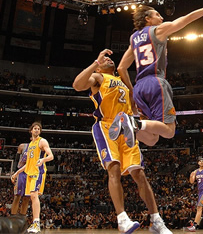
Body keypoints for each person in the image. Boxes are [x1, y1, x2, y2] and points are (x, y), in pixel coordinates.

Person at [109, 0, 203, 147]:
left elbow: (121, 67)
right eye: (157, 15)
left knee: (152, 139)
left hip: (139, 87)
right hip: (155, 82)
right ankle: (133, 123)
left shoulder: (133, 38)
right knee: (169, 131)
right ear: (147, 19)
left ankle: (130, 125)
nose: (161, 17)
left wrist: (132, 91)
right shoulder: (158, 30)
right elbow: (187, 18)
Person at [73, 49, 171, 234]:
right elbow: (77, 85)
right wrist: (96, 62)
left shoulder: (123, 82)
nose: (108, 59)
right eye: (105, 59)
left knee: (139, 174)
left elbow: (133, 103)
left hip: (126, 127)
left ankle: (156, 220)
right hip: (107, 126)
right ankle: (122, 218)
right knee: (114, 168)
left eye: (109, 58)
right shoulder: (98, 77)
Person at [11, 122, 53, 233]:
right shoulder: (30, 145)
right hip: (29, 173)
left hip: (38, 172)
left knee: (34, 196)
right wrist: (16, 173)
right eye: (35, 128)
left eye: (38, 129)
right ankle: (34, 224)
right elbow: (27, 164)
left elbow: (51, 156)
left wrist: (43, 160)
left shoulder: (42, 141)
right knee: (31, 197)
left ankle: (36, 223)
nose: (37, 130)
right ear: (31, 130)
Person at [10, 142, 30, 216]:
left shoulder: (39, 147)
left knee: (27, 197)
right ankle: (13, 218)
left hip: (31, 173)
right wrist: (14, 173)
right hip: (21, 173)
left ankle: (22, 219)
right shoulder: (22, 146)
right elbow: (16, 160)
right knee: (17, 195)